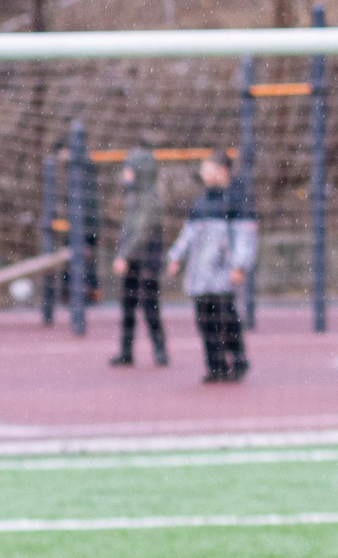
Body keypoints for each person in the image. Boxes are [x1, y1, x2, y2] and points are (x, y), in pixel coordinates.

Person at [166, 151, 255, 384]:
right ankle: (215, 365)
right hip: (200, 276)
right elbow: (189, 234)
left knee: (227, 319)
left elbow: (245, 238)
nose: (204, 174)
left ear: (222, 170)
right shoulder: (201, 202)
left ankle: (238, 360)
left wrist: (239, 265)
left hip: (222, 275)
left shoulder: (236, 201)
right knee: (205, 321)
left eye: (208, 169)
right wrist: (176, 256)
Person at [108, 147, 168, 368]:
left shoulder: (149, 199)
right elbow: (129, 231)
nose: (126, 173)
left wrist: (124, 255)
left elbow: (141, 232)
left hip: (146, 262)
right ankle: (126, 350)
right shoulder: (134, 197)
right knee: (128, 306)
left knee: (150, 306)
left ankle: (160, 350)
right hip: (133, 261)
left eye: (129, 169)